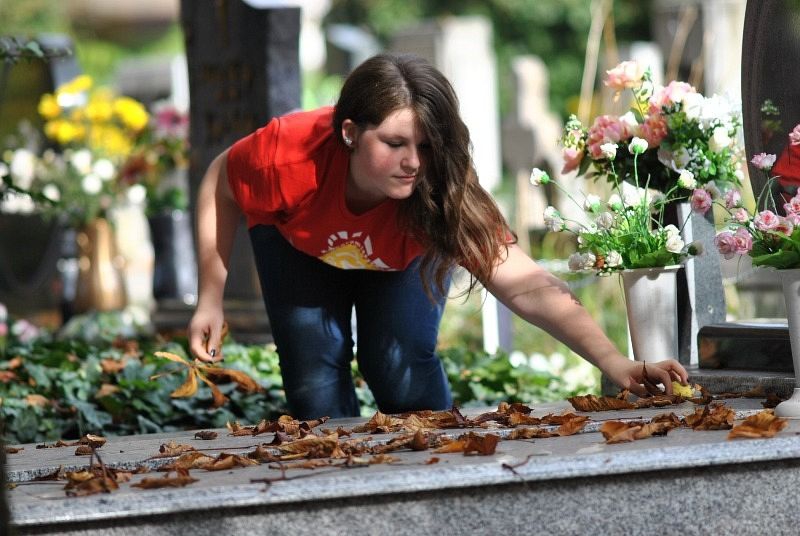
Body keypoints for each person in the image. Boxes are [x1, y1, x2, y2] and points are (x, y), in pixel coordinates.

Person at [188, 53, 688, 420]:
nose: (413, 162)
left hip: (403, 252)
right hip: (300, 246)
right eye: (395, 143)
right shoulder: (286, 156)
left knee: (398, 363)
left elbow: (527, 285)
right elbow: (219, 183)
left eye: (427, 146)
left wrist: (615, 362)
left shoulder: (442, 187)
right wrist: (210, 297)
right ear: (350, 133)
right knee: (313, 375)